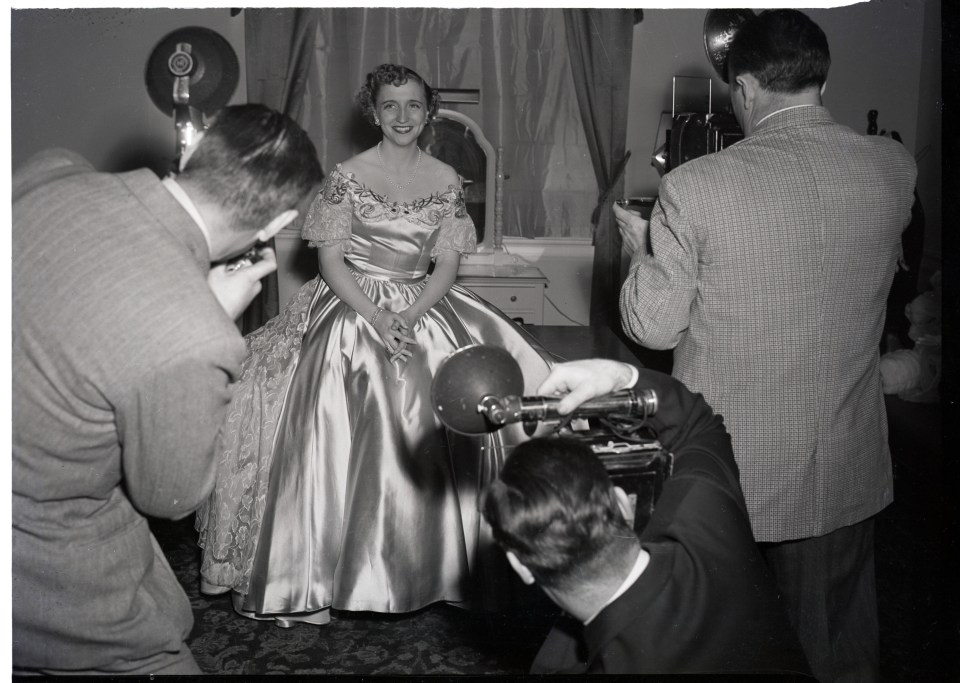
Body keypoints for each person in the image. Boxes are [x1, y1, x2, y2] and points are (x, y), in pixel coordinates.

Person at [614, 10, 917, 682]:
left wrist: (643, 254)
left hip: (731, 468)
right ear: (820, 76)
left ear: (744, 87)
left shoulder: (694, 186)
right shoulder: (895, 168)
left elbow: (654, 329)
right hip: (845, 455)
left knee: (722, 643)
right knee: (839, 645)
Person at [196, 64, 554, 625]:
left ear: (429, 111)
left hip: (423, 303)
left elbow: (447, 265)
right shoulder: (346, 175)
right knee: (336, 392)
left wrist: (409, 312)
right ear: (374, 112)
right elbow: (330, 260)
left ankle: (441, 568)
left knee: (460, 395)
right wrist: (375, 315)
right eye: (391, 106)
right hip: (351, 303)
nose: (403, 116)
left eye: (413, 105)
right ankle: (317, 574)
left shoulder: (445, 178)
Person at [12, 104, 324, 675]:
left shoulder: (52, 169)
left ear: (192, 154)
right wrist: (202, 312)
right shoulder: (197, 336)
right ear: (277, 227)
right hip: (43, 560)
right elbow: (169, 496)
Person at [481, 358, 812, 676]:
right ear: (623, 504)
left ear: (520, 566)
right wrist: (623, 377)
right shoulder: (710, 519)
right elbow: (696, 423)